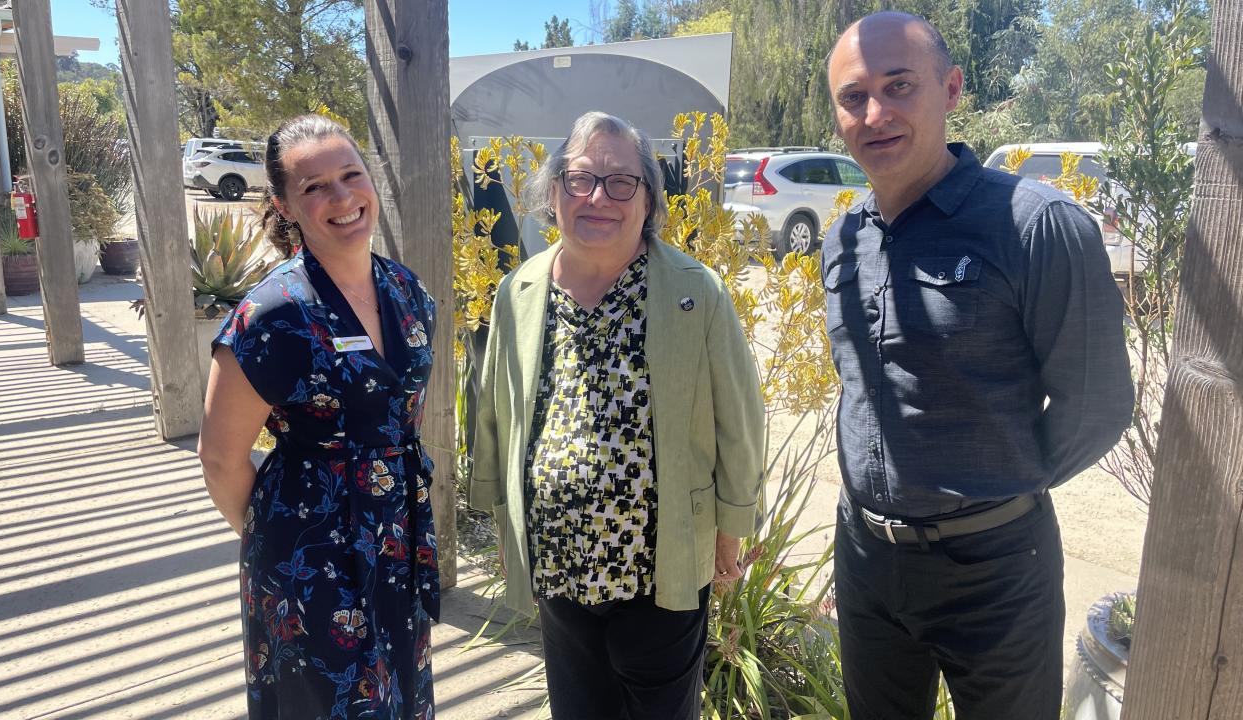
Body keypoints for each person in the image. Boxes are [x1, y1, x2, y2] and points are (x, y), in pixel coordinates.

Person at [821, 12, 1134, 719]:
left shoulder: (1036, 224)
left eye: (899, 86)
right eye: (853, 97)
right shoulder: (842, 241)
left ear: (952, 89)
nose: (876, 113)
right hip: (868, 562)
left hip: (996, 571)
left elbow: (1099, 404)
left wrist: (994, 487)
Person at [468, 111, 765, 720]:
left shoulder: (694, 290)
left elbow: (739, 416)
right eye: (580, 179)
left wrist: (731, 526)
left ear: (648, 199)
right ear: (553, 193)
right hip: (558, 560)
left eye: (621, 182)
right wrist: (504, 519)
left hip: (661, 564)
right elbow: (494, 409)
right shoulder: (520, 290)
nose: (599, 196)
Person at [197, 114, 439, 720]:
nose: (341, 198)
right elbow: (221, 456)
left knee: (399, 695)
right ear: (284, 205)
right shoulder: (272, 315)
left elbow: (401, 414)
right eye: (314, 187)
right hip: (308, 552)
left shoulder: (408, 292)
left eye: (350, 175)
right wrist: (277, 541)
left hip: (397, 537)